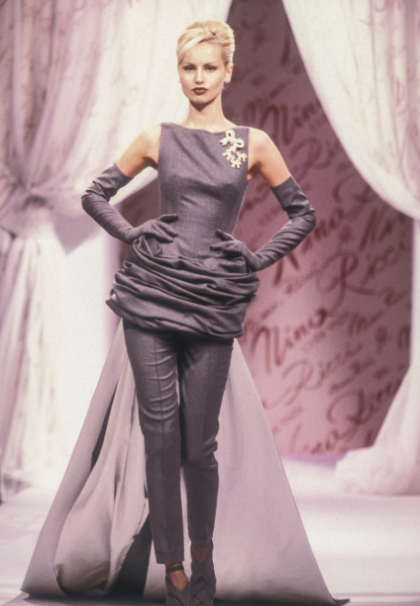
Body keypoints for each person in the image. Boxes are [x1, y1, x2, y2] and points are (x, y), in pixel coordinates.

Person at [79, 18, 316, 606]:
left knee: (198, 445)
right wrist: (134, 233)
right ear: (179, 73)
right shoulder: (157, 137)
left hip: (211, 301)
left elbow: (302, 213)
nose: (200, 77)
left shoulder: (253, 143)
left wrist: (254, 258)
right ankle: (175, 570)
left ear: (228, 72)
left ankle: (203, 553)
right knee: (159, 437)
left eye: (210, 67)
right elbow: (94, 193)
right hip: (152, 296)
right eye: (190, 67)